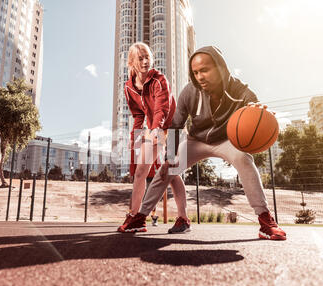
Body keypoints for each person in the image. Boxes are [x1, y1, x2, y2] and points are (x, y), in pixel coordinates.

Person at [122, 46, 287, 240]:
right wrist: (171, 155)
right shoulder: (190, 92)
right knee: (167, 168)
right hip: (196, 140)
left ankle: (265, 220)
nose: (200, 76)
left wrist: (260, 113)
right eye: (196, 72)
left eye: (205, 70)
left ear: (220, 67)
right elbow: (176, 123)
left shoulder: (238, 89)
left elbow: (254, 107)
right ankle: (140, 217)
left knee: (243, 158)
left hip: (226, 140)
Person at [117, 42, 188, 233]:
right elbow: (138, 114)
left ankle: (183, 218)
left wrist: (156, 128)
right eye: (140, 58)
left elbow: (161, 107)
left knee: (171, 173)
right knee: (141, 171)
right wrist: (136, 134)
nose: (145, 61)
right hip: (153, 128)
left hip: (172, 127)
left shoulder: (159, 80)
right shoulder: (129, 88)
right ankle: (135, 215)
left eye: (147, 57)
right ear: (132, 62)